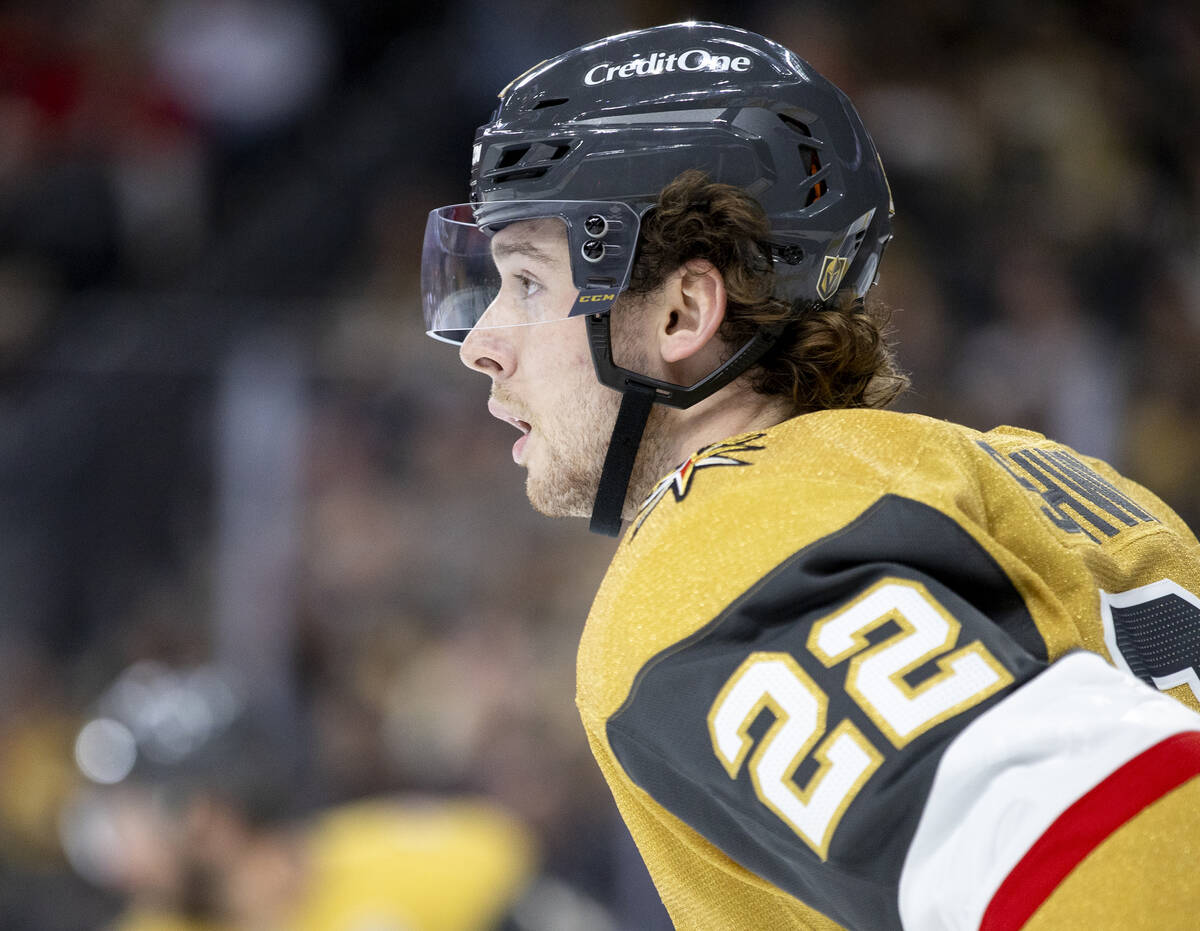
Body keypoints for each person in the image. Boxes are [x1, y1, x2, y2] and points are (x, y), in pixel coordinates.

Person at [420, 21, 1200, 930]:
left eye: (523, 282)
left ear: (681, 310)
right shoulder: (1048, 477)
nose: (479, 345)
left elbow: (1127, 858)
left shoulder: (717, 551)